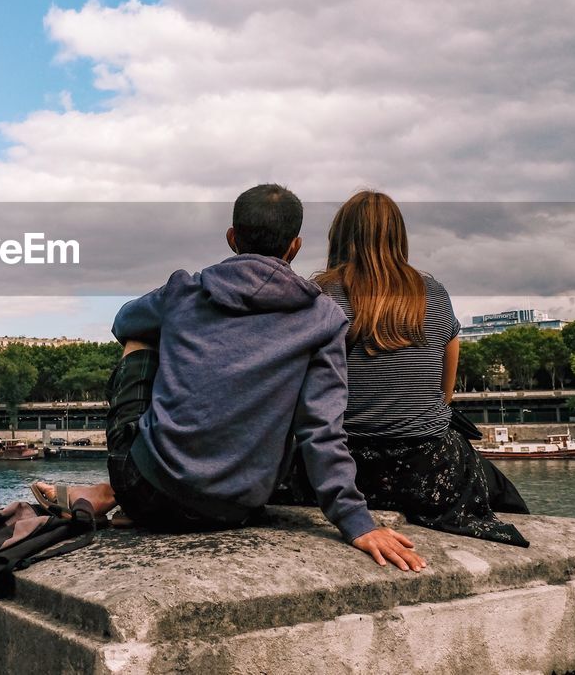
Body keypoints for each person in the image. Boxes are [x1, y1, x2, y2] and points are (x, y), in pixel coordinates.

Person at [33, 184, 426, 571]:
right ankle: (116, 495)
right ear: (295, 246)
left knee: (141, 337)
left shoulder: (184, 291)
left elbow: (123, 323)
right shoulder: (323, 318)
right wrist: (357, 521)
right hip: (235, 506)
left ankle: (115, 491)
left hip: (145, 489)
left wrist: (187, 328)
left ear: (232, 237)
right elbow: (321, 430)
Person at [277, 190, 527, 546]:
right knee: (504, 495)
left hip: (339, 466)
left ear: (340, 238)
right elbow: (445, 394)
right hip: (429, 468)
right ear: (399, 237)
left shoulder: (318, 296)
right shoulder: (435, 294)